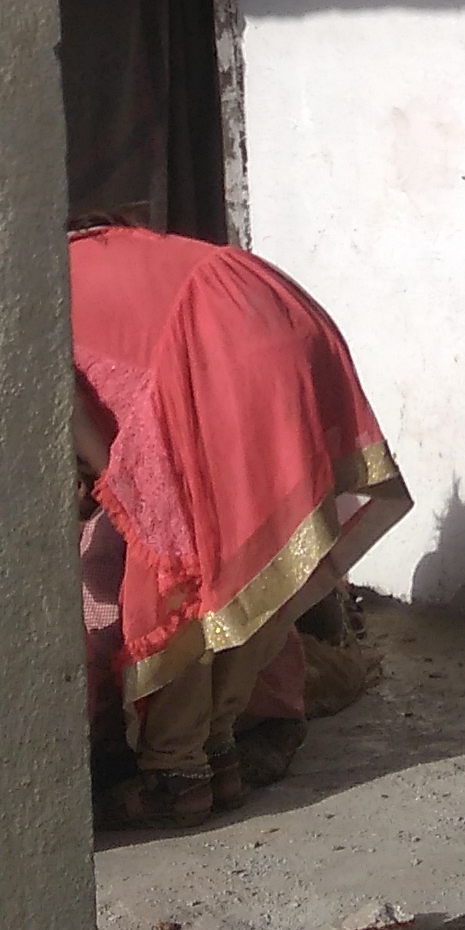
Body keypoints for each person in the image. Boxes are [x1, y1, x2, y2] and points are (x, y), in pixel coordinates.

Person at [72, 223, 407, 827]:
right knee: (240, 567)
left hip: (215, 342)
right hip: (277, 312)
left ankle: (176, 774)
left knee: (178, 575)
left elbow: (73, 418)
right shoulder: (94, 250)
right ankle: (219, 751)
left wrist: (123, 490)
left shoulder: (25, 299)